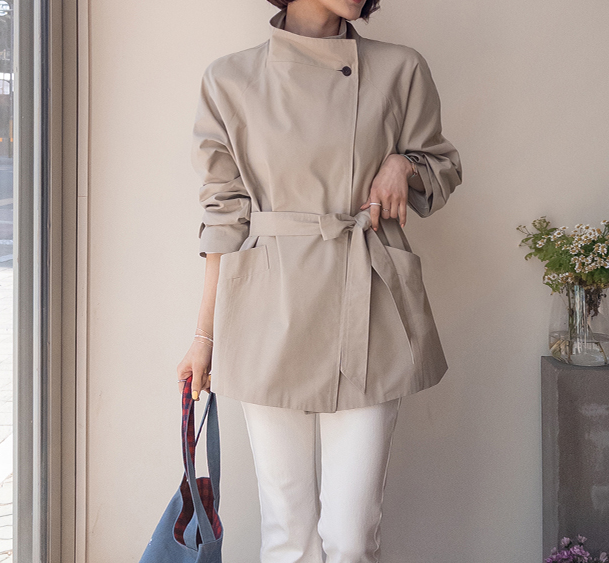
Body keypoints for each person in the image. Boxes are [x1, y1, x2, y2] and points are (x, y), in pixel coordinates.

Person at [177, 0, 463, 560]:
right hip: (267, 308)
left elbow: (442, 165)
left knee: (351, 538)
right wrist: (204, 336)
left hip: (367, 304)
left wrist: (403, 164)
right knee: (288, 534)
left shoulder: (400, 68)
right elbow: (224, 216)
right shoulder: (230, 78)